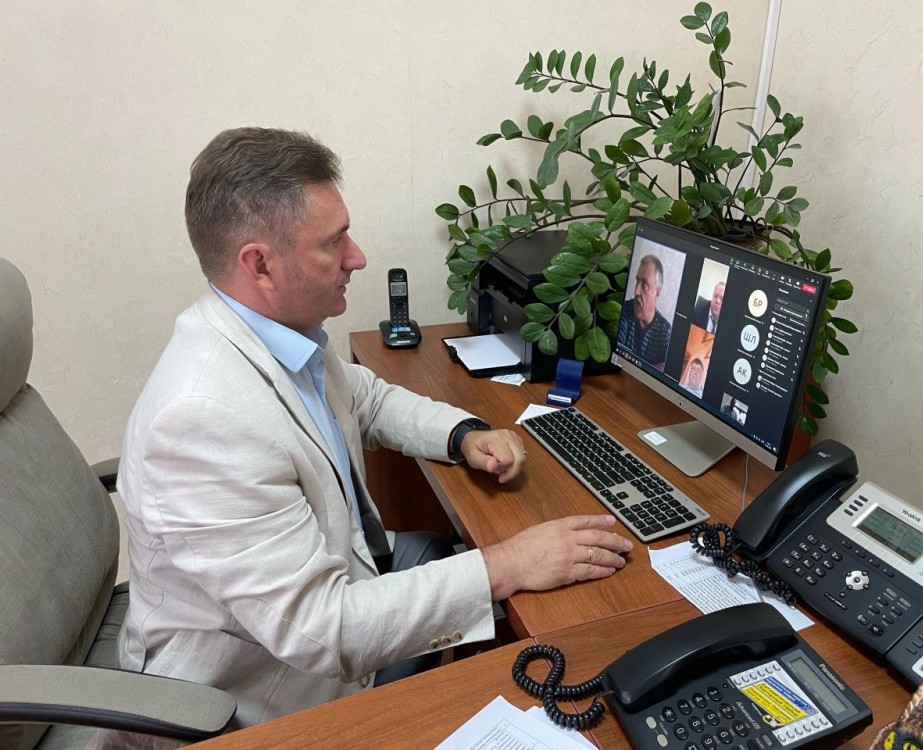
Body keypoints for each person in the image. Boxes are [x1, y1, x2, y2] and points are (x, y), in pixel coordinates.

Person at [109, 127, 633, 737]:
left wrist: (463, 434)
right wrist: (506, 564)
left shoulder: (278, 334)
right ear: (260, 264)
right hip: (254, 699)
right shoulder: (200, 421)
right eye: (334, 242)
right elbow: (324, 629)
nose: (357, 257)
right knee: (534, 629)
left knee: (470, 572)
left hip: (323, 593)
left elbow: (364, 397)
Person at [617, 254, 672, 370]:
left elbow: (665, 370)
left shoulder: (666, 331)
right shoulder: (624, 310)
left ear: (657, 293)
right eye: (637, 281)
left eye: (644, 285)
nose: (636, 291)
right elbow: (618, 357)